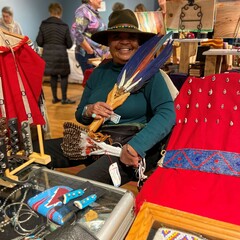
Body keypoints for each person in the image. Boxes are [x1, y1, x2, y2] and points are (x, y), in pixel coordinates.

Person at [34, 9, 176, 186]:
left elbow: (167, 113)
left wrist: (136, 146)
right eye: (117, 36)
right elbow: (80, 114)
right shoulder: (99, 73)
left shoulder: (149, 75)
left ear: (138, 42)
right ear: (109, 42)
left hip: (128, 145)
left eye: (130, 37)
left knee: (80, 185)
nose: (124, 41)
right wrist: (90, 110)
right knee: (34, 151)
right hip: (95, 141)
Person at [36, 3, 75, 104]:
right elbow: (70, 44)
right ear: (60, 12)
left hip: (48, 56)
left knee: (53, 75)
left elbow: (39, 42)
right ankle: (64, 98)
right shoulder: (64, 25)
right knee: (64, 76)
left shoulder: (44, 24)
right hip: (61, 55)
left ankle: (55, 98)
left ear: (50, 11)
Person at [71, 0, 109, 75]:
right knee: (91, 83)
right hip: (88, 55)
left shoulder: (93, 12)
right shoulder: (83, 11)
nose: (101, 0)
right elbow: (76, 32)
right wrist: (90, 50)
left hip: (96, 55)